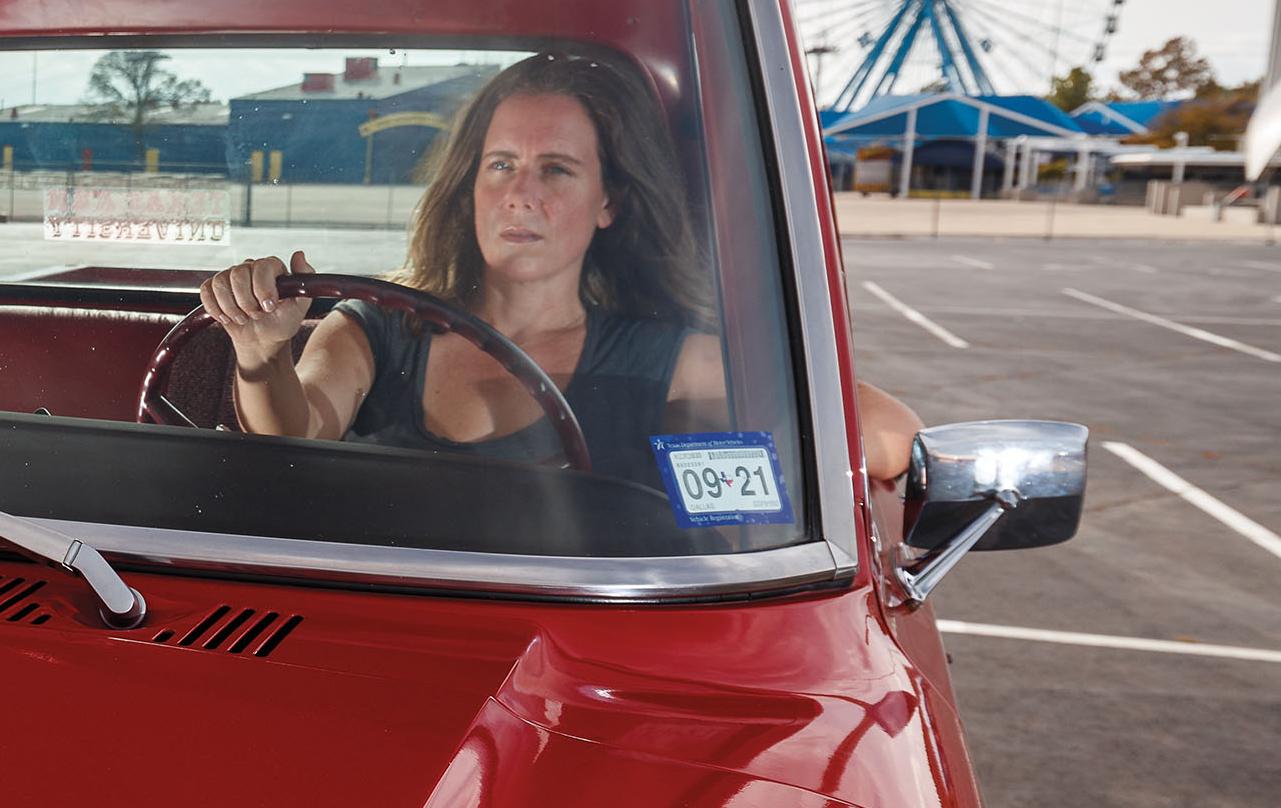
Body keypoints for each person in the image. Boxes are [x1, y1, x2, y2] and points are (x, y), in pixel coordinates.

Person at [200, 52, 921, 486]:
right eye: (502, 165)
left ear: (608, 201)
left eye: (557, 169)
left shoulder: (665, 361)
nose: (521, 193)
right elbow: (294, 440)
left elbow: (887, 433)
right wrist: (262, 361)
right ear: (471, 187)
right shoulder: (376, 327)